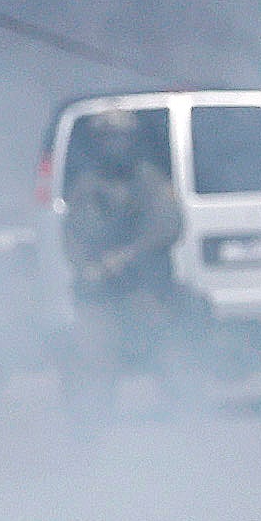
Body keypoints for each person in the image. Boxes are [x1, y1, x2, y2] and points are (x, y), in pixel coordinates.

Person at [57, 106, 189, 418]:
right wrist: (90, 268)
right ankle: (92, 419)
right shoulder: (86, 188)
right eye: (108, 139)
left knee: (171, 342)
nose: (116, 145)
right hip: (102, 294)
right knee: (91, 349)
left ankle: (182, 413)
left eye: (122, 138)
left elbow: (170, 224)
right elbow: (72, 238)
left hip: (147, 289)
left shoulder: (150, 180)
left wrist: (131, 255)